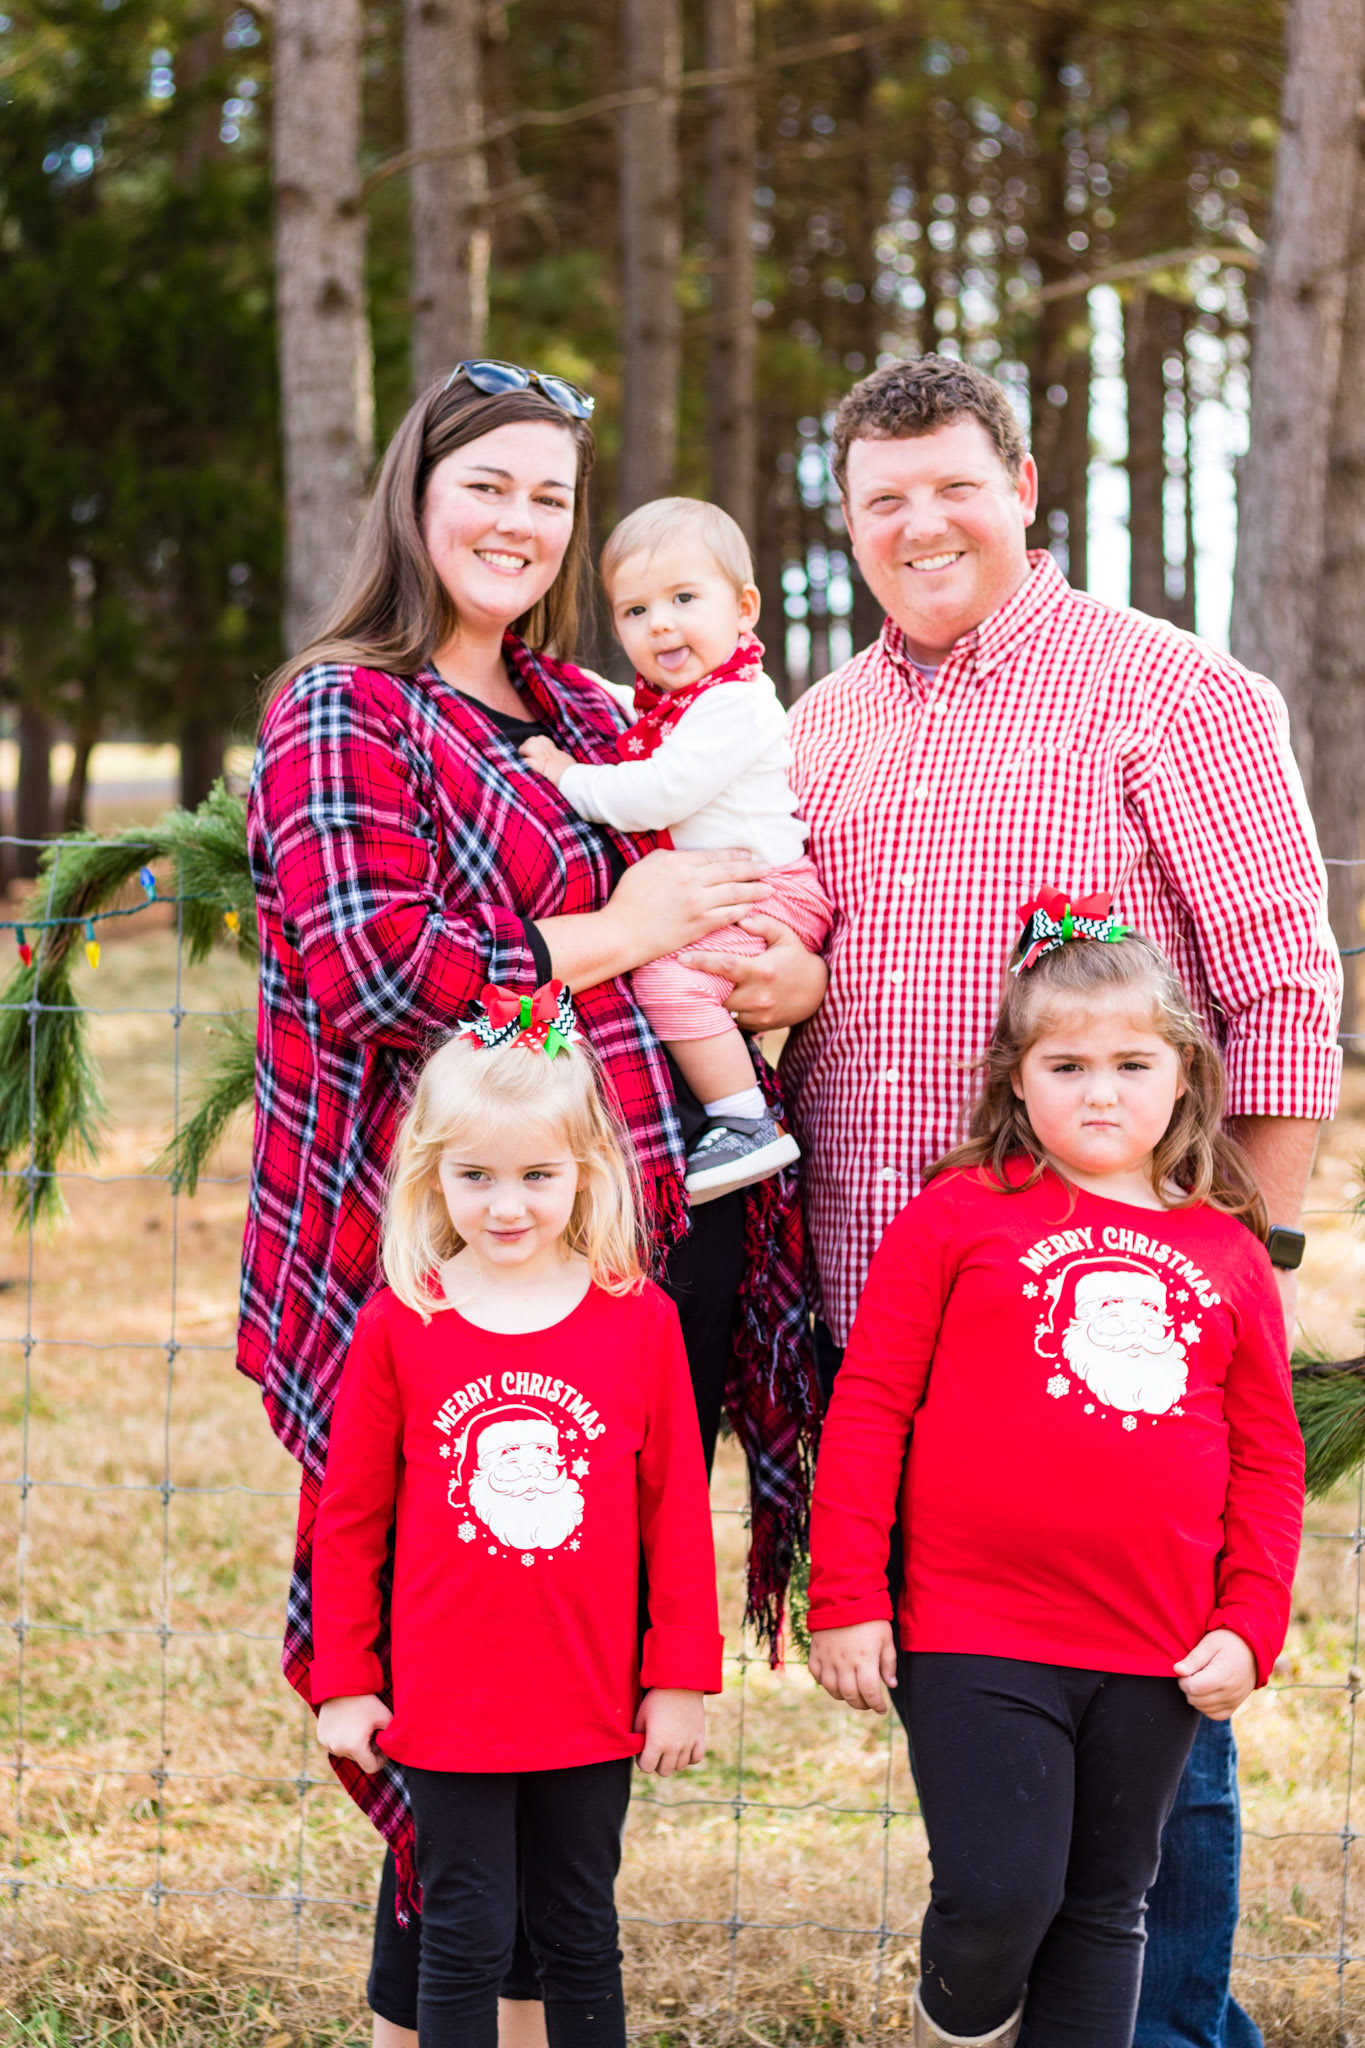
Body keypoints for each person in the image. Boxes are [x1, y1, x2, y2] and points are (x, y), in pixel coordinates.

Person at [695, 353, 1340, 2048]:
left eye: (953, 487)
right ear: (847, 522)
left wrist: (1247, 1261)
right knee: (994, 1730)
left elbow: (1280, 989)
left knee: (1149, 1726)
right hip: (888, 1325)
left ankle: (1169, 2030)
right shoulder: (819, 729)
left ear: (1025, 488)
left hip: (1125, 1323)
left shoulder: (1170, 695)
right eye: (882, 499)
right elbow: (796, 965)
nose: (920, 525)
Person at [239, 360, 824, 2048]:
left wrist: (781, 970)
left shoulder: (582, 703)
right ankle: (444, 2015)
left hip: (639, 1257)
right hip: (457, 1258)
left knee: (571, 1658)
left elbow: (725, 873)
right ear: (416, 496)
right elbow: (374, 969)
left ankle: (516, 2002)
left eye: (550, 495)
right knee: (450, 1666)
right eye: (486, 483)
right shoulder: (347, 707)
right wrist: (618, 935)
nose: (519, 520)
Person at [806, 904, 1304, 2048]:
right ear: (1015, 1078)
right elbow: (870, 1407)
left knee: (1104, 1906)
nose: (1100, 1092)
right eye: (1066, 1065)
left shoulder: (1228, 1249)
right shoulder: (956, 1216)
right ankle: (957, 2023)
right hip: (975, 1625)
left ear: (1184, 1073)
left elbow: (1268, 1456)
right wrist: (847, 1594)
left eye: (1132, 1063)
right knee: (999, 1897)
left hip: (1155, 1640)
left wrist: (1251, 1620)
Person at [312, 990, 722, 2048]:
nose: (507, 1206)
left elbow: (676, 1512)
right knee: (463, 1930)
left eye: (538, 1175)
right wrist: (345, 1677)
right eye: (476, 1176)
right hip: (447, 1699)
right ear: (431, 1175)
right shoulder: (403, 1322)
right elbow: (350, 1520)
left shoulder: (638, 1320)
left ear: (585, 1169)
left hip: (591, 1694)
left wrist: (679, 1674)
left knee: (579, 1930)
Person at [519, 497, 831, 1203]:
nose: (659, 622)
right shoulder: (688, 702)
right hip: (742, 888)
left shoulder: (736, 704)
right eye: (635, 610)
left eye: (684, 598)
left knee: (669, 980)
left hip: (767, 891)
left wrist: (568, 775)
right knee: (670, 976)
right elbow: (638, 718)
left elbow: (657, 792)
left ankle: (744, 1120)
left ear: (743, 608)